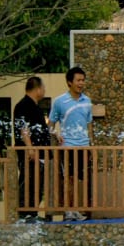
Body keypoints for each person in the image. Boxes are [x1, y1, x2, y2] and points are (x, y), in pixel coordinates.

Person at [49, 66, 93, 219]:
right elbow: (51, 124)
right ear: (69, 82)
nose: (81, 83)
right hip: (67, 146)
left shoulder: (87, 101)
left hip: (84, 146)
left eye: (83, 80)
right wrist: (55, 134)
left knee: (82, 179)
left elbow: (89, 124)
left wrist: (91, 144)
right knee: (68, 178)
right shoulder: (59, 101)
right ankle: (69, 210)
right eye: (78, 80)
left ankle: (78, 210)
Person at [13, 76, 49, 217]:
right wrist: (30, 148)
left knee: (37, 183)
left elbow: (41, 128)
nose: (44, 90)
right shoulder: (23, 105)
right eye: (43, 88)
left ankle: (33, 212)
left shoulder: (36, 107)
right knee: (28, 181)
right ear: (38, 89)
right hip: (30, 153)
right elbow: (23, 128)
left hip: (39, 152)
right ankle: (25, 213)